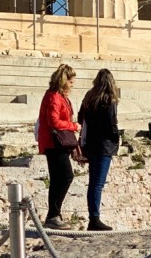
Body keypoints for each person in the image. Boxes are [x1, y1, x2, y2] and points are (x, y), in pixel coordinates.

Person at [36, 63, 81, 229]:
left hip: (57, 142)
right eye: (71, 82)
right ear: (64, 81)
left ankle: (54, 215)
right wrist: (74, 126)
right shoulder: (54, 97)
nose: (72, 85)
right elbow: (54, 121)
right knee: (65, 176)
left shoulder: (59, 96)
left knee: (58, 178)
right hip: (53, 142)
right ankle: (53, 215)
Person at [77, 68, 121, 231]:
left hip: (91, 144)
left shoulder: (89, 97)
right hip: (104, 146)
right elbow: (111, 124)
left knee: (93, 183)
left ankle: (93, 218)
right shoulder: (110, 99)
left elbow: (80, 118)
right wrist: (116, 138)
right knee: (98, 184)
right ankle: (94, 219)